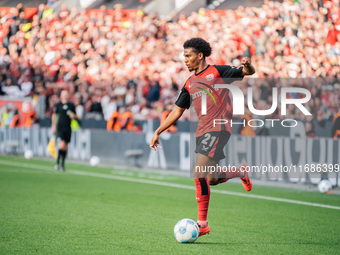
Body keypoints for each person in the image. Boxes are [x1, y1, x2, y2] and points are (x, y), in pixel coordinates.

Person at [150, 38, 255, 237]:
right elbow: (177, 111)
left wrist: (248, 67)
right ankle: (240, 172)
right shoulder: (189, 83)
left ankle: (202, 224)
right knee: (212, 179)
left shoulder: (218, 72)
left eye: (188, 56)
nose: (186, 60)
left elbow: (247, 73)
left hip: (218, 128)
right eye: (184, 57)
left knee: (198, 172)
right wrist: (158, 131)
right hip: (202, 131)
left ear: (200, 55)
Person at [52, 90, 77, 171]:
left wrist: (73, 116)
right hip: (60, 127)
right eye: (64, 94)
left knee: (65, 146)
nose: (65, 96)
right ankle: (57, 162)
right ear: (61, 96)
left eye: (66, 94)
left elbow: (75, 115)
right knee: (61, 145)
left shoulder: (71, 105)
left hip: (68, 127)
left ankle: (62, 164)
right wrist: (53, 126)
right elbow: (54, 115)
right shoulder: (58, 105)